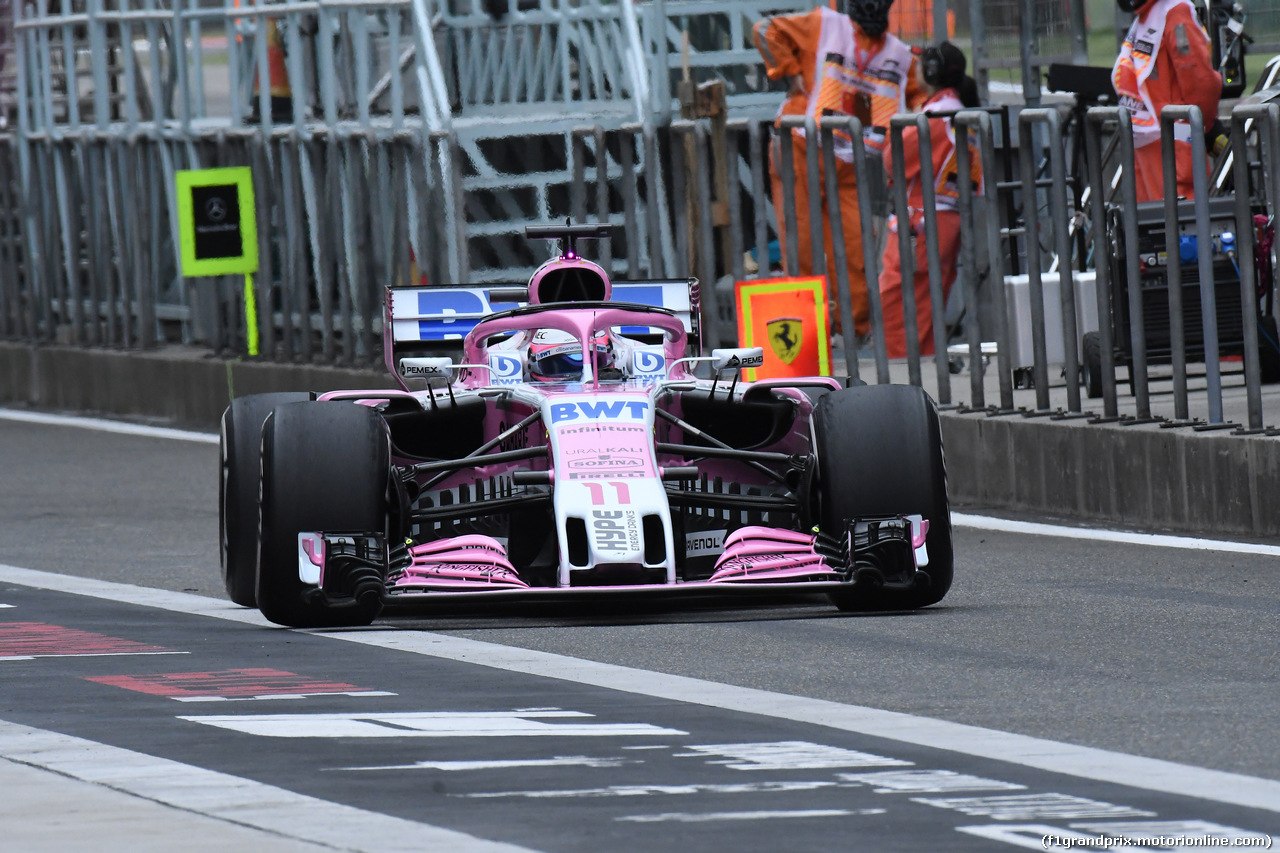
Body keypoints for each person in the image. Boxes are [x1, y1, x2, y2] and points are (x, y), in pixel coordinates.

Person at [753, 0, 920, 337]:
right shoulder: (824, 25)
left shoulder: (901, 56)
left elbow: (922, 99)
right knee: (801, 246)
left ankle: (855, 329)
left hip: (848, 162)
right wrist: (790, 71)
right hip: (800, 146)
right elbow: (765, 30)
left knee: (856, 246)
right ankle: (805, 333)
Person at [878, 41, 981, 359]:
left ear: (932, 72)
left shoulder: (935, 115)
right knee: (925, 311)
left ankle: (900, 386)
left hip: (924, 222)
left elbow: (892, 159)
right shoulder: (955, 108)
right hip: (943, 220)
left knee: (897, 308)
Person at [1112, 0, 1222, 203]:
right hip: (1176, 144)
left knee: (1152, 224)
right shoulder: (1174, 12)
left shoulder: (1145, 18)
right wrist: (1208, 125)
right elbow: (1200, 81)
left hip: (1144, 139)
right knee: (1189, 222)